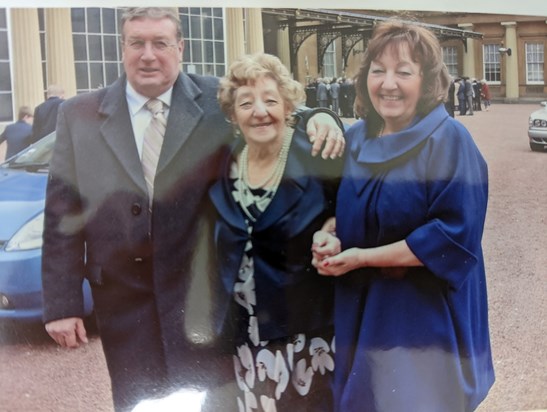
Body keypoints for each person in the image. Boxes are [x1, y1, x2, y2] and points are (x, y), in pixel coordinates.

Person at [41, 7, 344, 412]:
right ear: (123, 48)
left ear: (179, 48)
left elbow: (273, 109)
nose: (148, 55)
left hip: (201, 302)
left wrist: (323, 116)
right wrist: (62, 306)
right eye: (137, 43)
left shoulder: (214, 102)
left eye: (160, 43)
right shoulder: (78, 115)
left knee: (208, 402)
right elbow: (61, 214)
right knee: (137, 403)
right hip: (122, 306)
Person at [311, 20, 494, 412]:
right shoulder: (356, 138)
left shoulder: (449, 141)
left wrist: (361, 258)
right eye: (378, 70)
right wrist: (331, 234)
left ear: (426, 81)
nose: (388, 83)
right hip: (359, 314)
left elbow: (451, 238)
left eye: (403, 72)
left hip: (419, 322)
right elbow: (349, 211)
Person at [211, 53, 343, 412]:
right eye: (246, 102)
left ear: (288, 106)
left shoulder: (318, 155)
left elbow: (353, 215)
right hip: (242, 333)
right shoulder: (223, 162)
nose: (259, 111)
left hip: (302, 334)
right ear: (233, 115)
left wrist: (336, 231)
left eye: (270, 100)